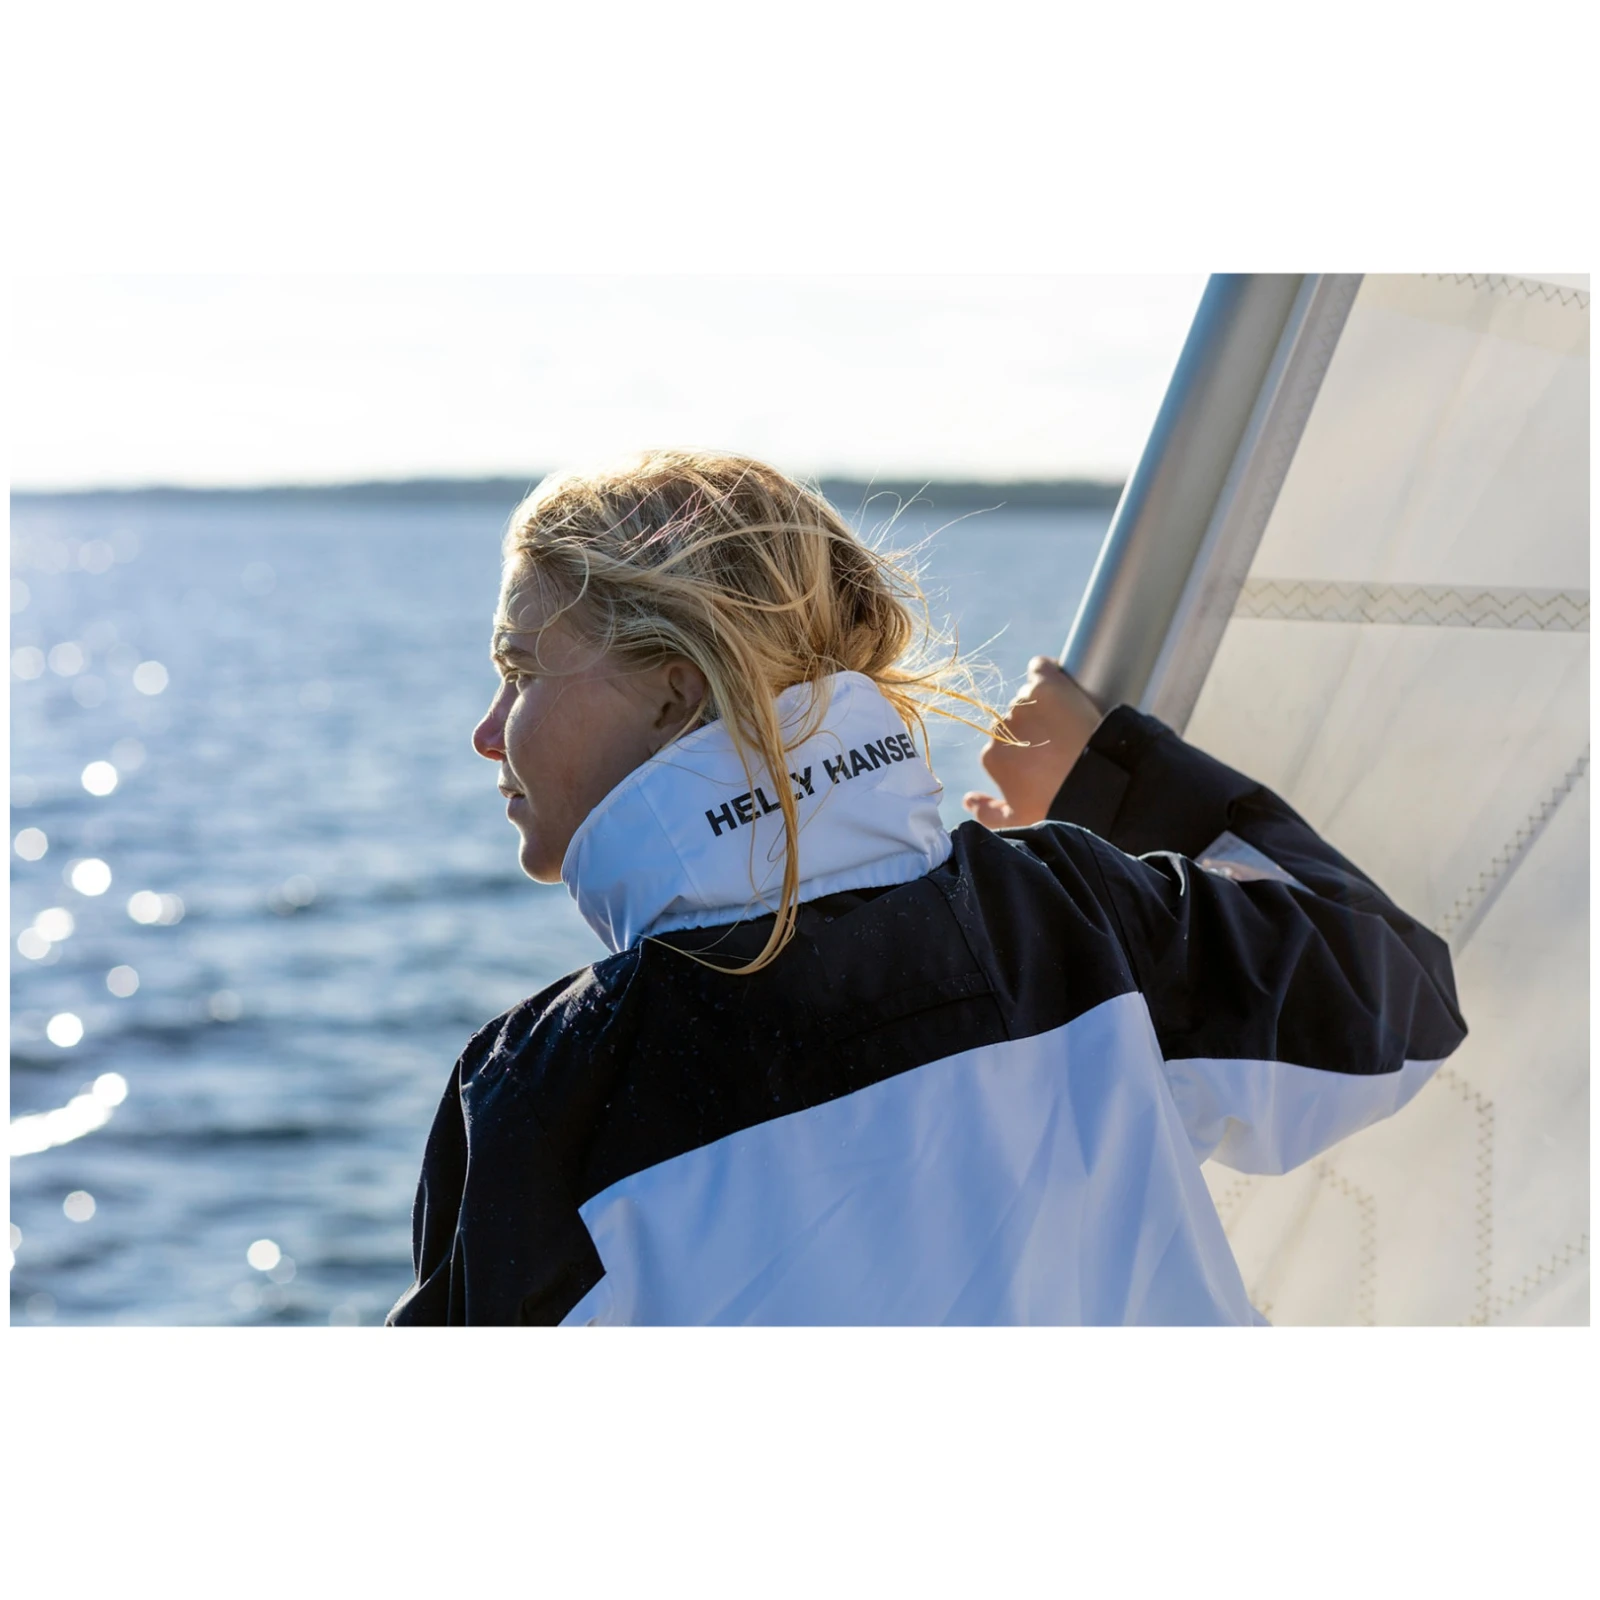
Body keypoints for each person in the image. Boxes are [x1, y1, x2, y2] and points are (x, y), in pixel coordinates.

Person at [386, 449, 1466, 1326]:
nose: (487, 731)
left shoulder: (543, 1099)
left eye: (519, 670)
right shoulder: (1073, 925)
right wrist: (1114, 777)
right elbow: (1401, 1002)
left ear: (677, 693)